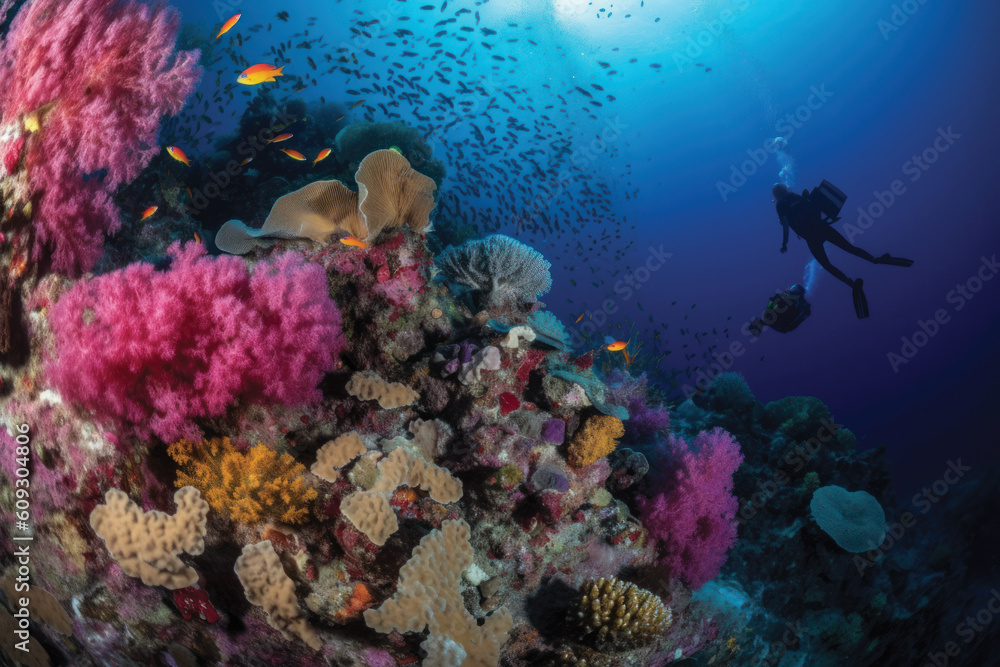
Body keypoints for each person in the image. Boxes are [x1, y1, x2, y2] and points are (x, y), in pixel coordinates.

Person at [772, 183, 913, 319]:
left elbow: (785, 225)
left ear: (776, 195)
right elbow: (812, 206)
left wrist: (784, 243)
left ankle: (850, 283)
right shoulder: (794, 195)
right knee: (849, 248)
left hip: (811, 237)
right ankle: (875, 259)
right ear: (784, 189)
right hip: (822, 227)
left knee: (827, 265)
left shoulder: (780, 205)